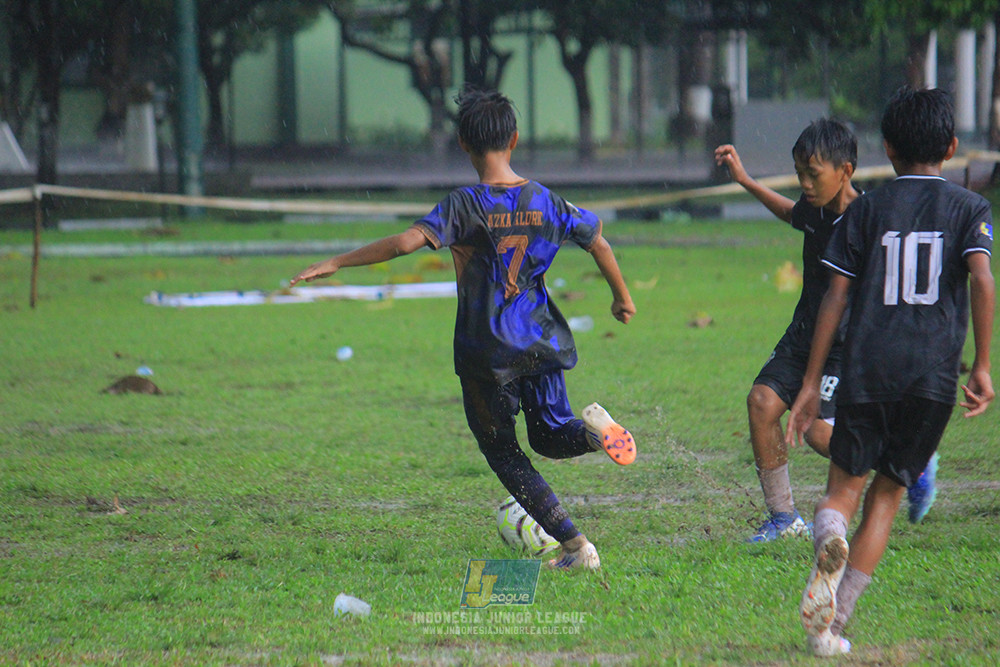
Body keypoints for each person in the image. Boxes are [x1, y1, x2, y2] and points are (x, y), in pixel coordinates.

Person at [290, 89, 637, 572]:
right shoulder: (545, 198)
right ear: (514, 139)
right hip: (542, 340)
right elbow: (597, 241)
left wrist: (337, 261)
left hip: (487, 351)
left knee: (503, 449)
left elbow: (404, 243)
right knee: (552, 435)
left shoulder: (464, 204)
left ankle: (576, 547)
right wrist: (622, 297)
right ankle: (599, 435)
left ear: (463, 145)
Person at [786, 86, 994, 656]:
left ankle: (829, 538)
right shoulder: (969, 208)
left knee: (844, 491)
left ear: (886, 148)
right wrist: (981, 365)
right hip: (931, 381)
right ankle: (835, 625)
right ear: (950, 147)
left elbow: (835, 295)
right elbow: (980, 279)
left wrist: (808, 385)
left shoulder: (867, 210)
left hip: (868, 370)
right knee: (887, 498)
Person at [715, 120, 939, 543]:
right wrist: (744, 180)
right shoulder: (815, 210)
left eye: (812, 174)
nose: (804, 183)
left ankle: (911, 464)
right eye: (799, 172)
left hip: (846, 346)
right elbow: (790, 213)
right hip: (804, 335)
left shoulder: (870, 219)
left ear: (846, 170)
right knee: (762, 402)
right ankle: (784, 519)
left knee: (817, 430)